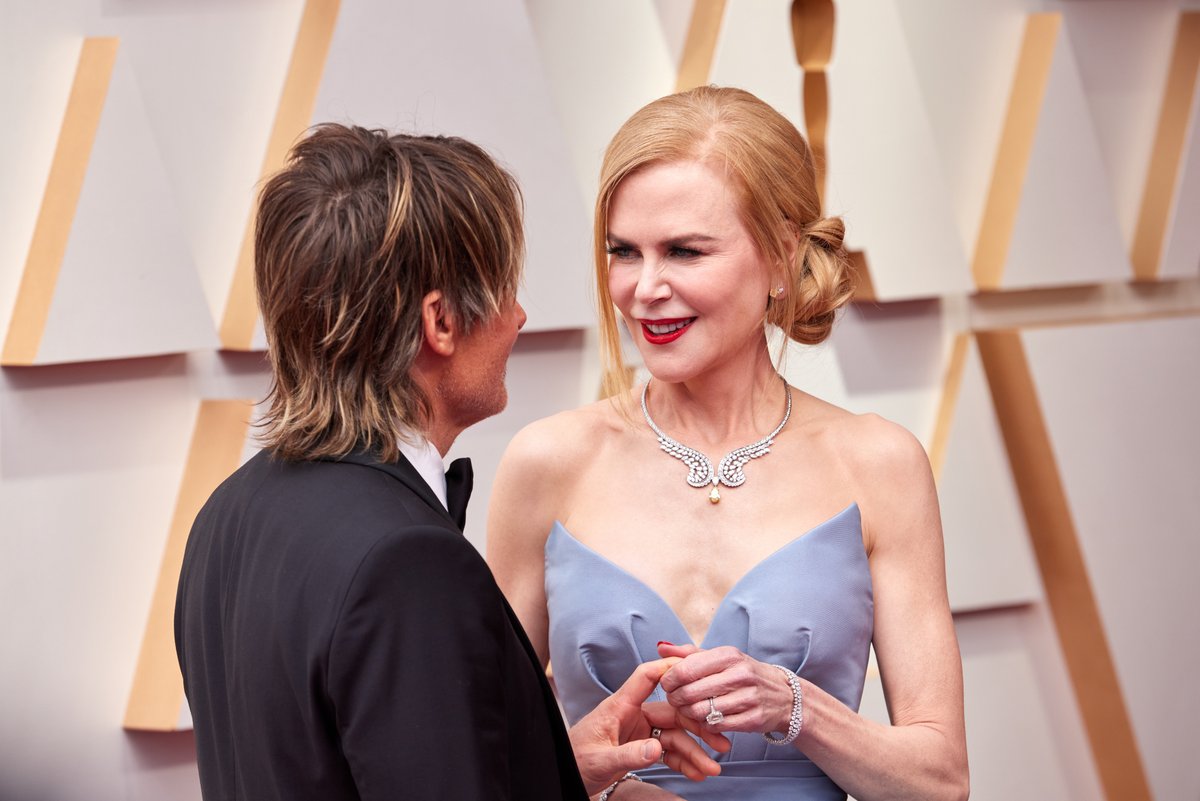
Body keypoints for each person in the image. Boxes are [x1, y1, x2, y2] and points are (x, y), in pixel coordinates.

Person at [174, 123, 725, 801]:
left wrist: (554, 770)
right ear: (440, 323)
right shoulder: (407, 561)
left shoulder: (227, 513)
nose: (518, 317)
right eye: (503, 288)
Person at [488, 86, 969, 801]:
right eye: (624, 252)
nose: (645, 288)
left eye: (684, 251)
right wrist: (596, 785)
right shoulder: (548, 462)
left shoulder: (879, 463)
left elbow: (941, 781)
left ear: (780, 257)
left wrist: (796, 707)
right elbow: (476, 764)